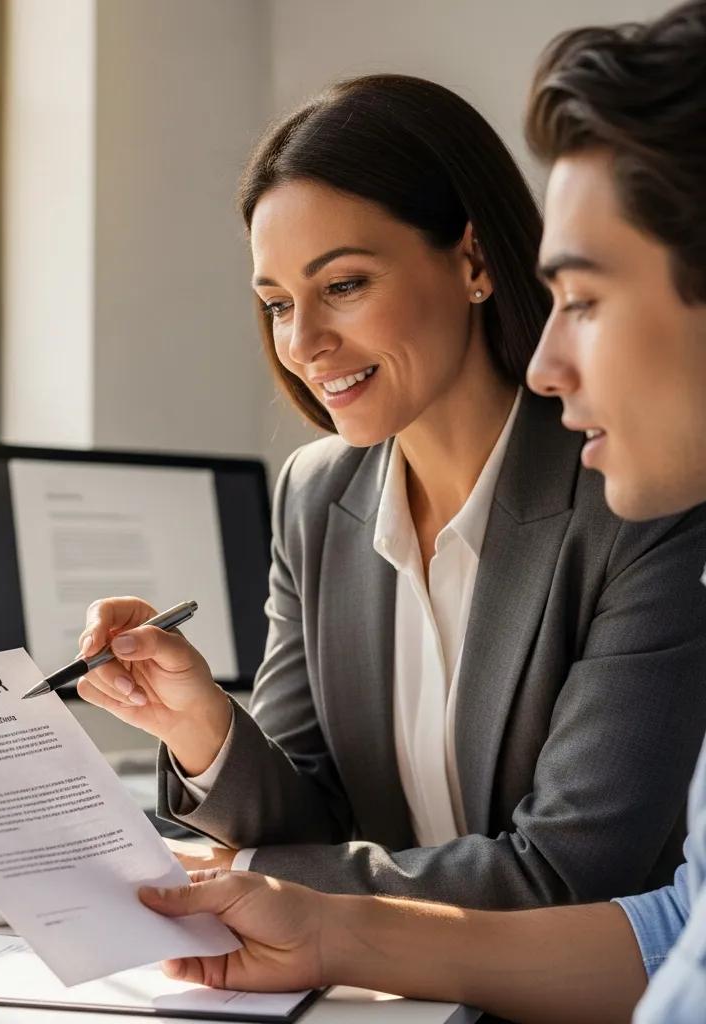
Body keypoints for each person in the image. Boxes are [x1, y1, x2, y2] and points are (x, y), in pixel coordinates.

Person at [134, 4, 706, 1022]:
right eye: (275, 302)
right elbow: (315, 793)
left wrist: (255, 872)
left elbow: (569, 875)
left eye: (342, 284)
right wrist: (204, 731)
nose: (301, 340)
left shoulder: (640, 493)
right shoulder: (316, 493)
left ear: (475, 262)